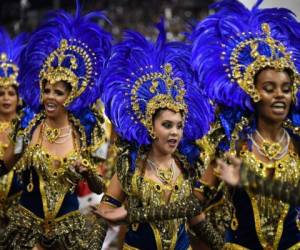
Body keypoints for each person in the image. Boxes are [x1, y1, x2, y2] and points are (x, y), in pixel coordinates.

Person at [93, 21, 215, 249]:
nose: (175, 132)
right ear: (151, 127)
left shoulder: (188, 165)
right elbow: (106, 210)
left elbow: (196, 218)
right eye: (167, 125)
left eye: (179, 126)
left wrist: (221, 245)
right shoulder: (131, 167)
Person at [0, 2, 112, 249]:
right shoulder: (28, 126)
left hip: (68, 233)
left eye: (58, 92)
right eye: (46, 90)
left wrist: (87, 172)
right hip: (26, 230)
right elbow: (5, 164)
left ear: (71, 96)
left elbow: (100, 186)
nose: (50, 97)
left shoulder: (84, 131)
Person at [191, 0, 300, 249]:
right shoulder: (232, 145)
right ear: (254, 94)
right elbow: (194, 204)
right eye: (269, 89)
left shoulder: (296, 142)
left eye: (286, 88)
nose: (280, 95)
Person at [0, 28, 27, 233]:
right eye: (1, 93)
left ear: (19, 98)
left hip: (20, 211)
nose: (6, 98)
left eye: (11, 93)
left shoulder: (27, 128)